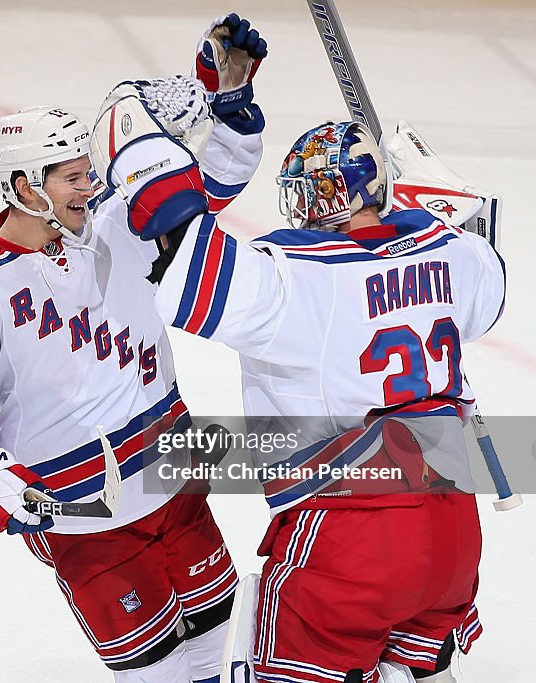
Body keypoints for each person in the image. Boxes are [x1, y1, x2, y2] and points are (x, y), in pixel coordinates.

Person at [93, 87, 504, 681]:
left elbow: (181, 244)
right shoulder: (453, 253)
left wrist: (136, 148)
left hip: (349, 532)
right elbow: (485, 258)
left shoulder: (292, 277)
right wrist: (427, 199)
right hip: (453, 528)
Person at [0, 15, 267, 682]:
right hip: (87, 516)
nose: (91, 185)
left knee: (215, 641)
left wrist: (230, 106)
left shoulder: (113, 226)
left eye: (89, 171)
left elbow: (208, 189)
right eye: (74, 177)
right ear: (26, 187)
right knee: (156, 671)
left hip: (174, 478)